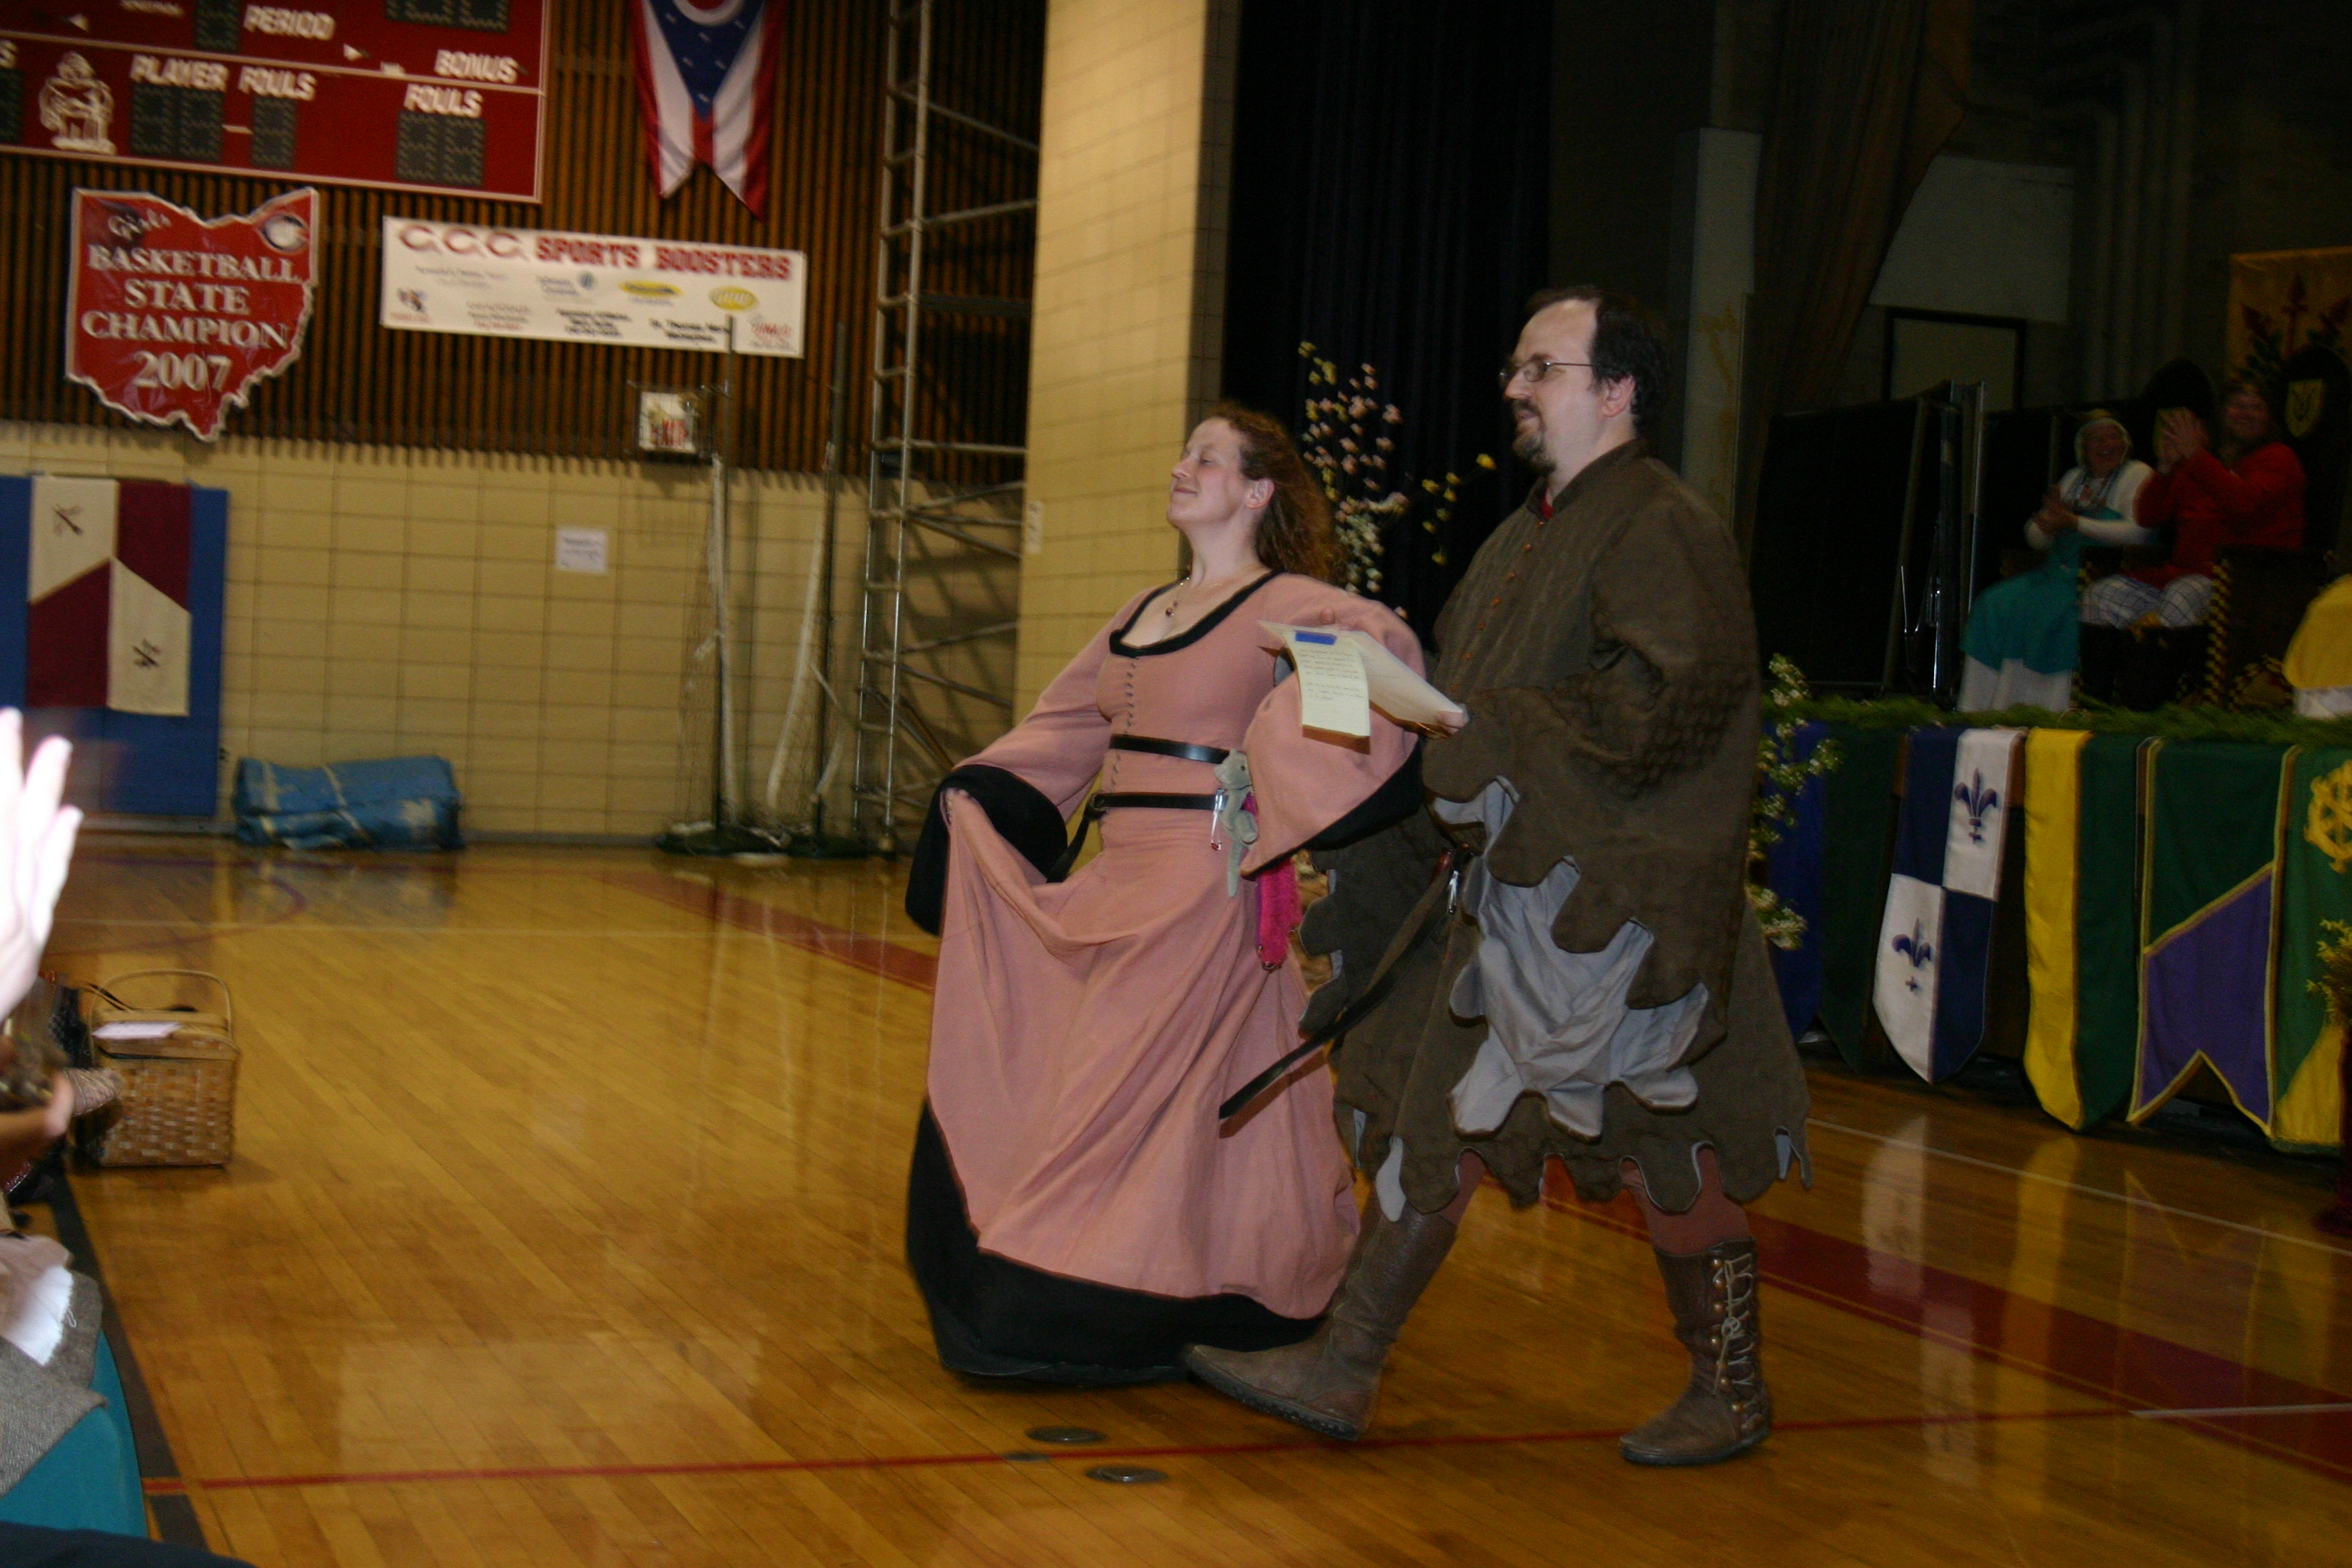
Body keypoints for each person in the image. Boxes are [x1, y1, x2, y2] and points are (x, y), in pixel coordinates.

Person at [1184, 288, 1810, 1466]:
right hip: (1526, 902)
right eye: (1518, 368)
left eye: (1543, 368)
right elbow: (1463, 703)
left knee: (1666, 1150)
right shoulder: (1524, 532)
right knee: (1467, 1116)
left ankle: (1726, 1390)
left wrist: (1497, 730)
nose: (1516, 388)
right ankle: (1347, 1365)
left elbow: (1672, 703)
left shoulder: (1662, 524)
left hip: (1617, 909)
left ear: (1617, 390)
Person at [902, 403, 1429, 1384]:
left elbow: (1380, 657)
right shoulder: (1142, 611)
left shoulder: (1294, 605)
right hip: (1119, 874)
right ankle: (1219, 1278)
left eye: (1208, 457)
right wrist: (977, 794)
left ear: (1258, 490)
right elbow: (1064, 727)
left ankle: (1066, 1291)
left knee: (1116, 1093)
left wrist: (1284, 756)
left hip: (1200, 883)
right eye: (1186, 452)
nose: (1183, 466)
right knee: (1159, 1094)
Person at [1956, 412, 2153, 711]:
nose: (2106, 444)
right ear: (2083, 448)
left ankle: (2049, 709)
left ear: (2125, 444)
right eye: (2097, 439)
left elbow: (2138, 532)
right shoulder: (2073, 478)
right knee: (1994, 602)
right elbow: (2035, 537)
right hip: (2052, 574)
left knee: (2052, 610)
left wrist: (2074, 522)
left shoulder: (2137, 474)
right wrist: (2047, 525)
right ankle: (1983, 707)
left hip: (2100, 575)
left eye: (2113, 437)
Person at [2082, 378, 2307, 632]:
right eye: (2237, 405)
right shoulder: (2201, 461)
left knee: (2182, 595)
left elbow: (2244, 505)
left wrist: (2196, 456)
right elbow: (2148, 517)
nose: (2245, 414)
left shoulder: (2279, 458)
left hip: (2246, 581)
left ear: (2268, 417)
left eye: (2256, 407)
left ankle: (2163, 658)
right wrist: (2165, 468)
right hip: (2181, 575)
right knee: (2101, 595)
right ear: (2221, 413)